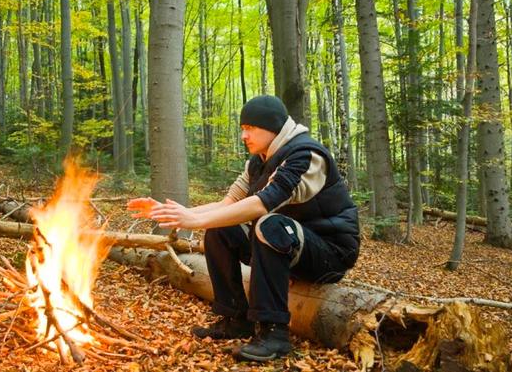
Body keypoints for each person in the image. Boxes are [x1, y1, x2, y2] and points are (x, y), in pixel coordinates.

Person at [128, 95, 360, 362]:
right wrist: (175, 213)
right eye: (242, 129)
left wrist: (193, 221)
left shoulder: (306, 155)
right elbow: (227, 204)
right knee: (220, 229)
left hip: (329, 253)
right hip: (291, 244)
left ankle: (274, 334)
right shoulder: (258, 161)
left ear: (272, 127)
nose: (243, 136)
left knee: (269, 224)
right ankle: (236, 317)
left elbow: (263, 203)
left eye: (250, 128)